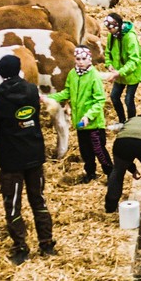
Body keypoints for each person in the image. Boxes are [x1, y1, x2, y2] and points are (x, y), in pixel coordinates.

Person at [0, 54, 54, 264]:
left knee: (13, 204)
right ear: (19, 70)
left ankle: (21, 247)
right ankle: (46, 243)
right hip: (35, 155)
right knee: (39, 200)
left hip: (12, 159)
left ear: (1, 72)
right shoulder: (32, 90)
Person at [50, 46, 114, 183]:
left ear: (89, 59)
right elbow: (67, 92)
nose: (80, 62)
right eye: (78, 59)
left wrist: (89, 116)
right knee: (85, 152)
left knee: (99, 151)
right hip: (80, 123)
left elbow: (99, 100)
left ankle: (111, 174)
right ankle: (90, 173)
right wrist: (50, 98)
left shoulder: (94, 76)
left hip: (94, 124)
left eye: (83, 59)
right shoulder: (73, 74)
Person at [102, 12, 141, 127]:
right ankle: (122, 121)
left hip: (132, 74)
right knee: (114, 97)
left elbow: (134, 60)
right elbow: (108, 52)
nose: (108, 31)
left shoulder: (130, 37)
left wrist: (119, 72)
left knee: (128, 99)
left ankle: (131, 124)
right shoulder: (112, 35)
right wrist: (109, 64)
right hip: (119, 74)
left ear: (117, 26)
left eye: (110, 29)